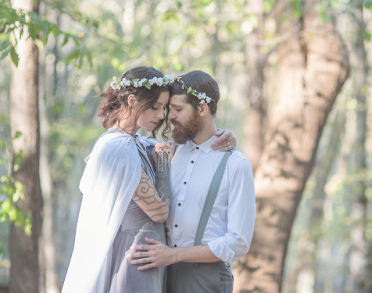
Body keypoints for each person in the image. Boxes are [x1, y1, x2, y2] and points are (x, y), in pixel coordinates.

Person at [61, 66, 236, 293]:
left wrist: (222, 134)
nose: (161, 115)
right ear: (132, 101)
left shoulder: (136, 143)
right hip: (133, 259)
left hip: (148, 256)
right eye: (155, 107)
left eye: (164, 108)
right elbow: (159, 210)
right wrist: (162, 163)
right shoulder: (119, 148)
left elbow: (185, 149)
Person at [128, 70, 256, 293]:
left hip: (205, 279)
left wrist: (173, 255)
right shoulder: (168, 153)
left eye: (178, 109)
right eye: (170, 109)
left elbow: (238, 242)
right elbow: (125, 143)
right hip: (158, 274)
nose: (170, 116)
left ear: (202, 109)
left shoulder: (236, 165)